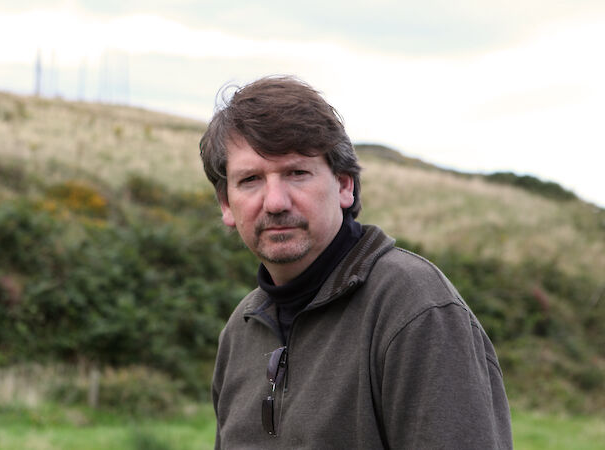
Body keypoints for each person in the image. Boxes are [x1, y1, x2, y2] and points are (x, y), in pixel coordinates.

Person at [199, 76, 512, 449]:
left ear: (344, 185)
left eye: (297, 173)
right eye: (250, 180)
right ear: (225, 204)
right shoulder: (241, 329)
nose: (276, 201)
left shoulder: (415, 308)